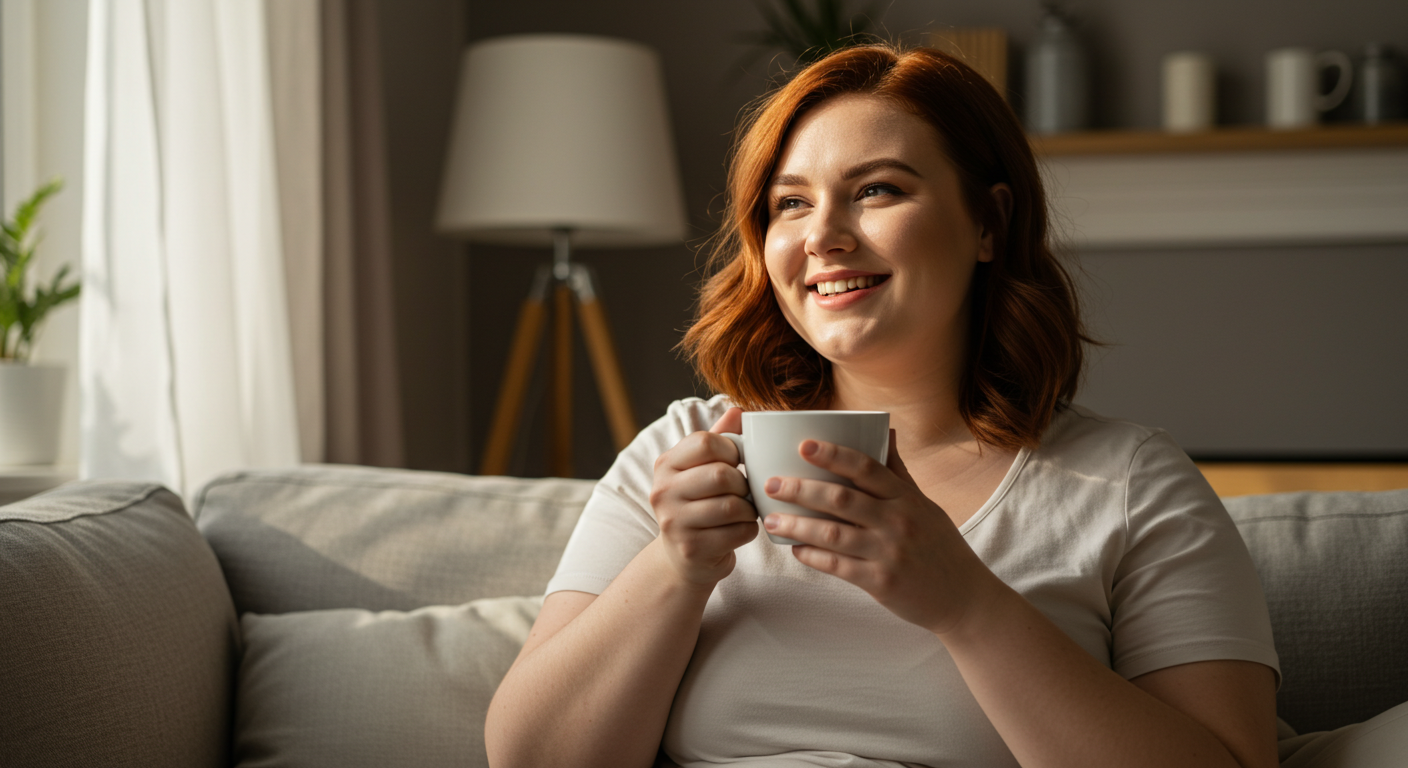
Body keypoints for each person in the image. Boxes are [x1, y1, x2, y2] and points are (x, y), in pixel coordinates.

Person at [485, 43, 1281, 768]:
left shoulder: (1130, 483)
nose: (822, 236)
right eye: (790, 204)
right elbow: (528, 758)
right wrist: (672, 568)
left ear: (988, 223)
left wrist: (965, 603)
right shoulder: (683, 452)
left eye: (876, 190)